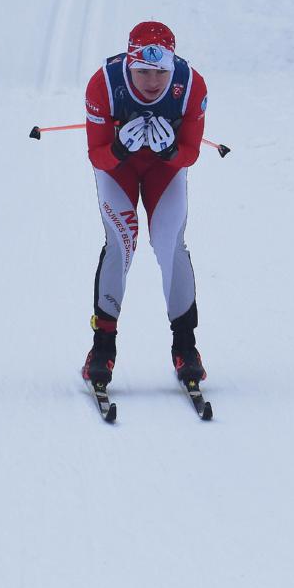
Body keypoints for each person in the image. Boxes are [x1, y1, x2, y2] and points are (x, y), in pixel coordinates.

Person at [80, 20, 208, 387]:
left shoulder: (191, 85)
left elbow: (191, 153)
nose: (152, 82)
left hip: (163, 169)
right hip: (117, 167)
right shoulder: (103, 84)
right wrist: (119, 148)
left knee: (170, 243)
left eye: (161, 72)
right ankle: (102, 348)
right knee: (121, 242)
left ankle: (186, 347)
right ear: (129, 64)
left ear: (172, 66)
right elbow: (97, 154)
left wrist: (171, 151)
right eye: (142, 72)